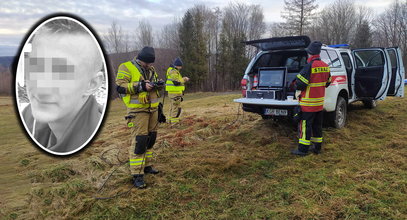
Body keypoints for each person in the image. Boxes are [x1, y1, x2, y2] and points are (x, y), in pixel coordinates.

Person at [21, 18, 104, 154]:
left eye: (61, 72)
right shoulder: (28, 117)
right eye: (36, 67)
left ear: (92, 84)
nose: (41, 89)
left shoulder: (99, 144)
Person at [115, 46, 164, 189]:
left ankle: (147, 166)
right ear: (141, 59)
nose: (149, 66)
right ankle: (137, 175)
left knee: (151, 139)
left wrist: (157, 85)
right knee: (140, 141)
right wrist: (140, 86)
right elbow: (120, 87)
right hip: (137, 111)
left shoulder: (151, 70)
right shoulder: (126, 67)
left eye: (151, 64)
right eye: (147, 63)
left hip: (153, 109)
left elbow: (151, 85)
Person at [291, 41, 331, 156]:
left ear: (310, 53)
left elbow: (300, 84)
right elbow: (328, 82)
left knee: (305, 126)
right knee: (317, 126)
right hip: (319, 104)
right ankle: (317, 148)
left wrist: (294, 85)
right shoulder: (325, 66)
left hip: (308, 104)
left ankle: (302, 150)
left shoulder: (309, 66)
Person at [165, 58, 189, 124]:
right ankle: (174, 123)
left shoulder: (171, 70)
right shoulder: (173, 71)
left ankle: (169, 121)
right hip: (175, 93)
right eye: (180, 66)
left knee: (172, 107)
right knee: (176, 107)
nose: (180, 68)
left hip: (172, 92)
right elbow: (176, 82)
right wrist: (184, 79)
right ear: (177, 65)